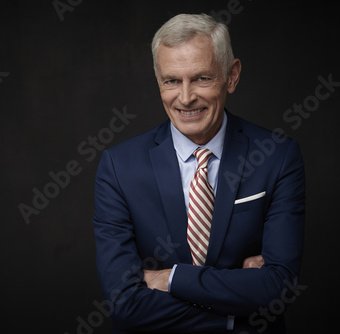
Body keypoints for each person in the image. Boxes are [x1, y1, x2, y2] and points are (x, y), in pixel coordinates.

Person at [93, 13, 305, 333]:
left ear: (231, 76)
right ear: (157, 79)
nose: (186, 97)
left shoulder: (278, 156)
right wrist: (237, 313)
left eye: (202, 78)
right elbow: (125, 303)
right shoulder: (119, 166)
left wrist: (172, 278)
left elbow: (278, 287)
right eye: (171, 80)